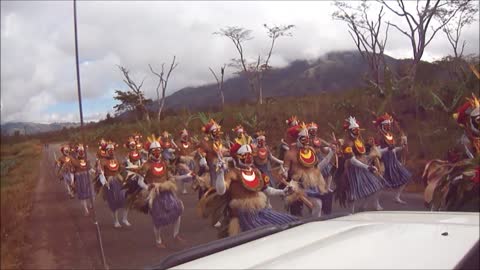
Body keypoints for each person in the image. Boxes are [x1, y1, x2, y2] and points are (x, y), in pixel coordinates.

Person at [199, 133, 297, 237]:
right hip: (243, 215)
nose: (248, 158)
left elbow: (265, 189)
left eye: (250, 155)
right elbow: (221, 190)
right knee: (265, 233)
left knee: (289, 222)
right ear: (236, 157)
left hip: (260, 211)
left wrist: (282, 192)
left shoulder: (256, 171)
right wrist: (220, 174)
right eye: (244, 156)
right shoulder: (233, 173)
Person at [130, 134, 189, 248]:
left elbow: (171, 177)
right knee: (158, 217)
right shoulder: (146, 165)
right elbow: (139, 182)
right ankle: (158, 241)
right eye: (154, 151)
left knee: (178, 210)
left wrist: (185, 175)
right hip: (154, 194)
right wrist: (149, 187)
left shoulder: (164, 163)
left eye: (159, 150)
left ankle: (175, 235)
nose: (157, 153)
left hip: (167, 192)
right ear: (150, 152)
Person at [283, 122, 336, 217]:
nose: (306, 142)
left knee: (318, 205)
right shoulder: (290, 153)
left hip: (310, 184)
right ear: (297, 139)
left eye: (307, 139)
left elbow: (317, 168)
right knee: (296, 214)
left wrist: (331, 153)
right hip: (296, 186)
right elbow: (285, 170)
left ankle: (315, 225)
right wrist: (284, 172)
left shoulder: (311, 150)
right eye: (303, 139)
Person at [335, 116, 384, 213]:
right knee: (353, 194)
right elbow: (352, 160)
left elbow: (362, 155)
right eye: (354, 130)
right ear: (349, 131)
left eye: (358, 130)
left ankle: (363, 207)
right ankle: (350, 212)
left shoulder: (358, 141)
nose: (357, 132)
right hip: (352, 170)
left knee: (375, 187)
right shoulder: (347, 144)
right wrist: (367, 167)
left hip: (362, 168)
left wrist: (370, 159)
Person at [373, 113, 411, 204]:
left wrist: (401, 147)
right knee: (382, 183)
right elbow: (377, 152)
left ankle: (397, 197)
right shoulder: (378, 137)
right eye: (386, 125)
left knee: (406, 176)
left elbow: (393, 150)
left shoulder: (390, 135)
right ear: (382, 125)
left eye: (389, 125)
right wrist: (387, 149)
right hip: (383, 161)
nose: (388, 126)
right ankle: (375, 202)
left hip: (393, 161)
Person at [94, 141, 130, 228]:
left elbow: (122, 169)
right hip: (109, 183)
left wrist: (126, 176)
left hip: (119, 181)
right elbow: (101, 173)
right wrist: (105, 182)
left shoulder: (116, 159)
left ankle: (124, 218)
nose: (111, 151)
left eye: (112, 150)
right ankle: (116, 221)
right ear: (106, 151)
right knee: (113, 203)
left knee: (127, 200)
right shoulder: (102, 161)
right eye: (109, 150)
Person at [71, 144, 93, 216]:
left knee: (90, 192)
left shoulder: (87, 159)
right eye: (80, 151)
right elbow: (73, 171)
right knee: (82, 194)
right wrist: (73, 181)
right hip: (80, 178)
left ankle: (91, 203)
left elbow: (90, 168)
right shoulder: (74, 160)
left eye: (82, 151)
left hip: (87, 177)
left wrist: (95, 171)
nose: (81, 152)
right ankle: (85, 209)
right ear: (77, 152)